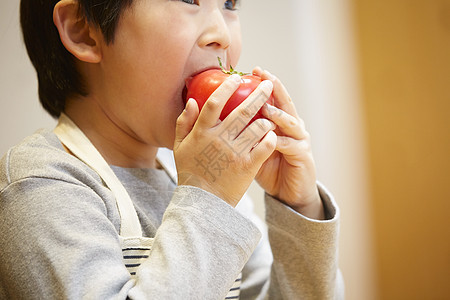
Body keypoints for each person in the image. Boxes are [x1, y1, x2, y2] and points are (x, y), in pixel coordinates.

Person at [0, 0, 344, 299]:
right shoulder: (40, 185)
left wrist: (300, 207)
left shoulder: (212, 180)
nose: (221, 34)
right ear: (84, 31)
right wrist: (208, 198)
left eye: (230, 3)